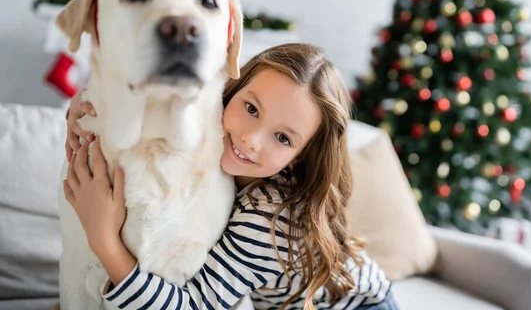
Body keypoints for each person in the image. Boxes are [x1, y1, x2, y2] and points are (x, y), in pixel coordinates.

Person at [63, 43, 396, 310]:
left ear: (298, 159)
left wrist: (103, 239)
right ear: (232, 90)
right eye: (251, 109)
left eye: (283, 138)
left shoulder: (269, 219)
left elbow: (194, 305)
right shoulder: (210, 121)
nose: (251, 139)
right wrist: (86, 111)